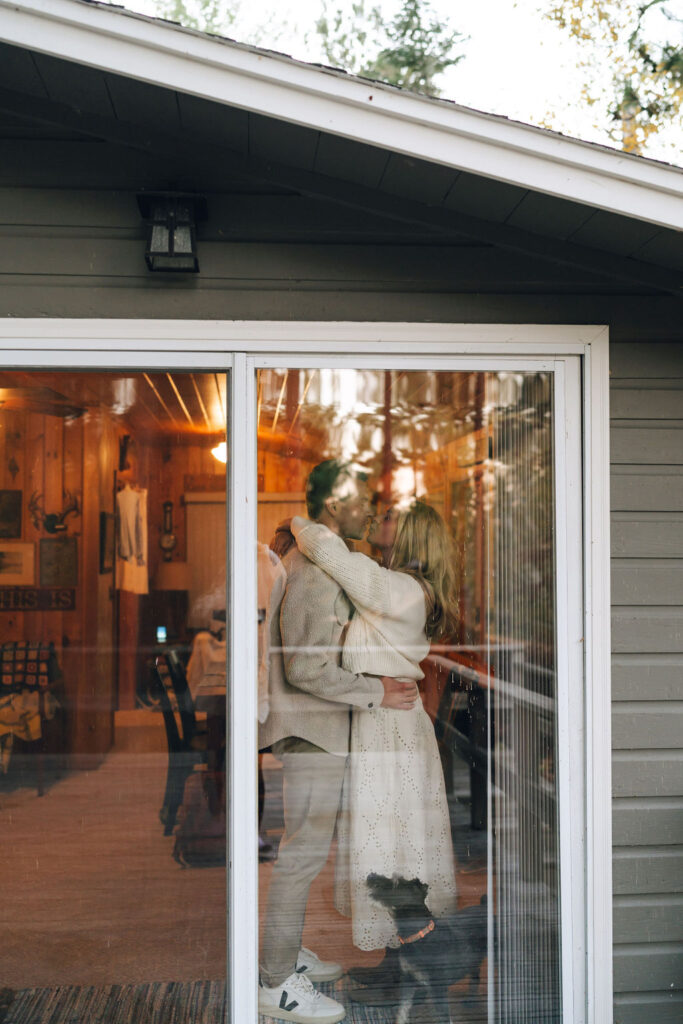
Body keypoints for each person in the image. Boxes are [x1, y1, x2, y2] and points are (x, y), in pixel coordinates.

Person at [258, 462, 417, 1024]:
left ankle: (282, 954)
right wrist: (377, 690)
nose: (370, 510)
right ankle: (275, 983)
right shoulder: (314, 569)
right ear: (332, 505)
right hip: (309, 729)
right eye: (361, 500)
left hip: (318, 728)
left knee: (304, 852)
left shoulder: (321, 561)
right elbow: (304, 667)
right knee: (301, 856)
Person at [290, 500, 458, 981]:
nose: (379, 519)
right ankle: (396, 960)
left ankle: (416, 966)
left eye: (389, 517)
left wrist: (295, 521)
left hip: (390, 729)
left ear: (407, 537)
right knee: (392, 842)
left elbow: (328, 550)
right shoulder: (399, 589)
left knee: (391, 842)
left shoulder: (399, 589)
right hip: (385, 721)